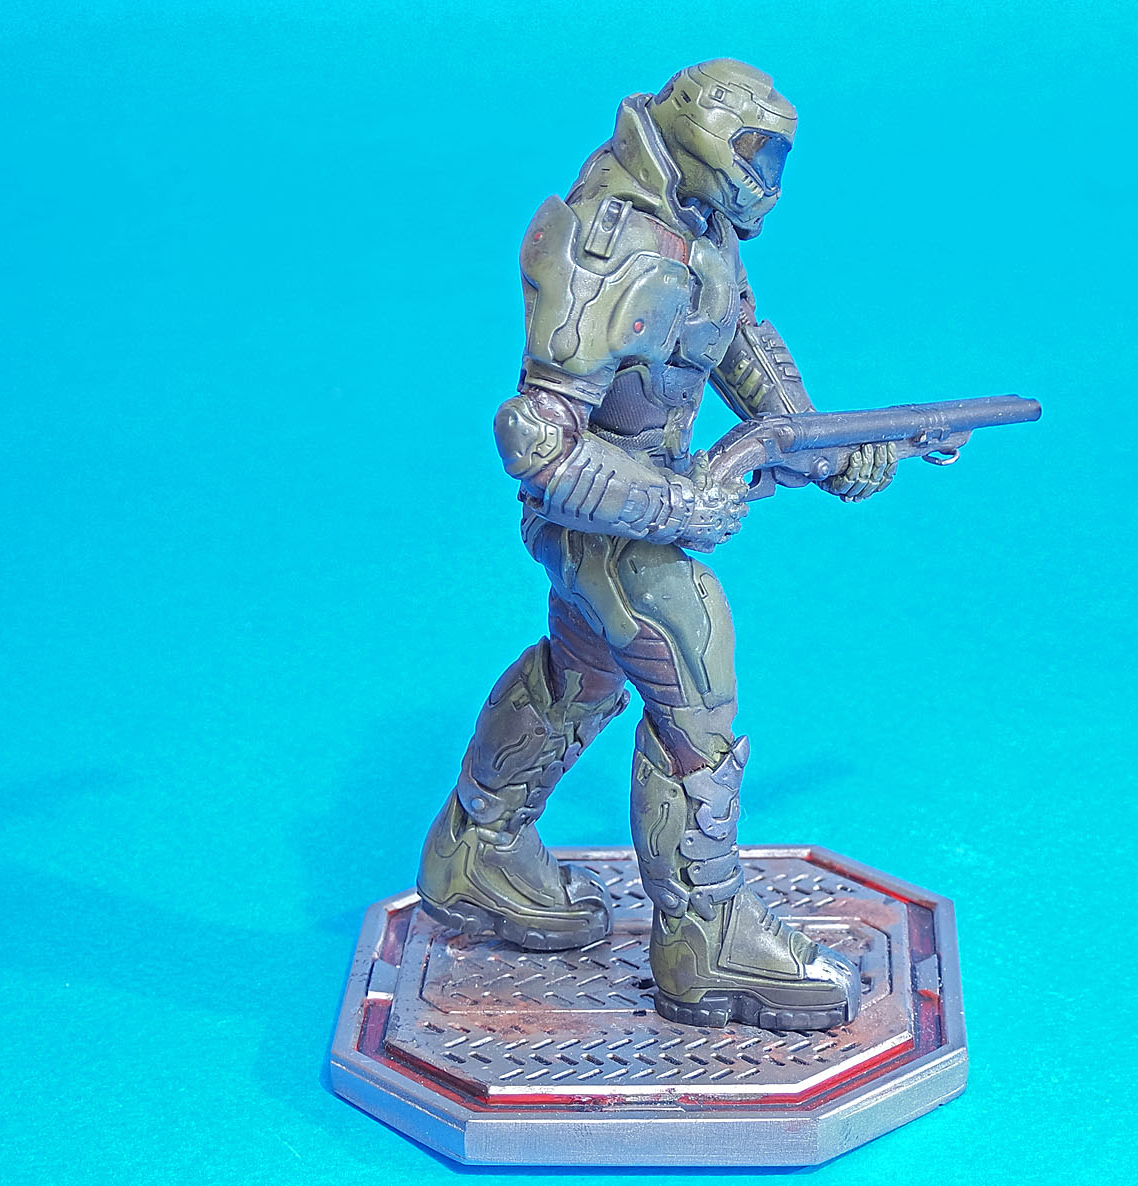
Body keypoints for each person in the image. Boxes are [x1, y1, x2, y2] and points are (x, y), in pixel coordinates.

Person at [417, 60, 897, 1031]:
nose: (766, 179)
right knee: (692, 649)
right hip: (597, 513)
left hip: (644, 500)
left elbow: (738, 344)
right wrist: (680, 505)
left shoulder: (699, 228)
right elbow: (536, 441)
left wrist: (818, 445)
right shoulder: (606, 243)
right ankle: (705, 937)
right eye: (757, 153)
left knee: (583, 673)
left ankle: (477, 845)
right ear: (707, 136)